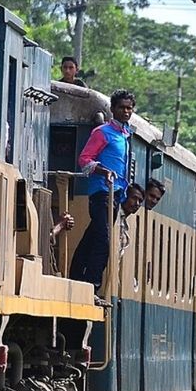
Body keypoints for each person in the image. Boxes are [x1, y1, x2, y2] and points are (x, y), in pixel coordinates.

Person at [68, 89, 134, 292]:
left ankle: (76, 275)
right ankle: (92, 284)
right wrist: (102, 170)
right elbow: (84, 159)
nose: (126, 111)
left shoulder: (125, 135)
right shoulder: (102, 132)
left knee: (92, 236)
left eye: (129, 108)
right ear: (113, 109)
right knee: (104, 241)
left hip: (116, 194)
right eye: (122, 108)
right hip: (101, 192)